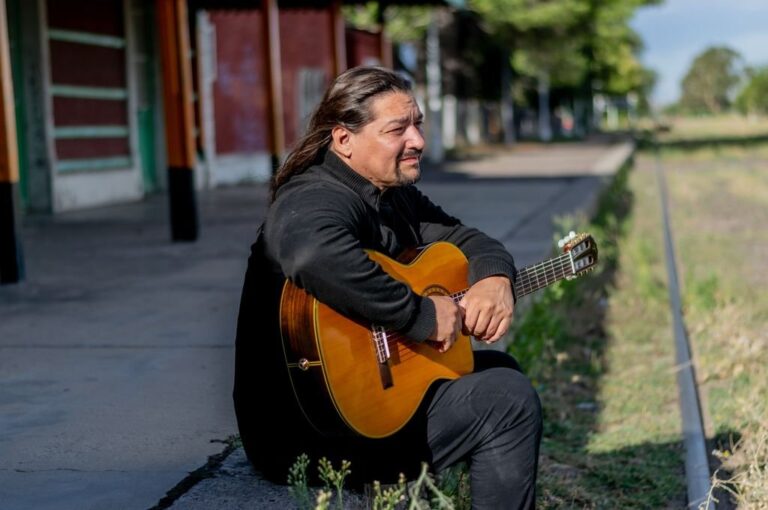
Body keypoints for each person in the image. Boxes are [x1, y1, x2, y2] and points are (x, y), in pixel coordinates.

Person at [233, 66, 542, 509]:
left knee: (498, 369)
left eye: (417, 124)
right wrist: (419, 315)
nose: (417, 140)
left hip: (357, 411)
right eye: (397, 129)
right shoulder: (312, 196)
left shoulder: (393, 196)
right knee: (507, 401)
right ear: (344, 140)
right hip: (307, 433)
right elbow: (312, 256)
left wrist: (494, 278)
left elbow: (467, 240)